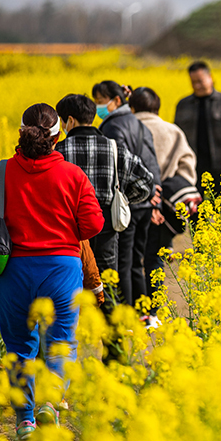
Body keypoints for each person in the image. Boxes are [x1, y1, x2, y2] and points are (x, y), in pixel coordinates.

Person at [0, 103, 104, 441]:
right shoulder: (73, 175)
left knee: (19, 347)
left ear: (21, 133)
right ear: (58, 136)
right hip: (61, 269)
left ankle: (25, 421)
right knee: (61, 342)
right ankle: (51, 402)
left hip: (13, 271)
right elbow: (92, 224)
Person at [54, 94, 154, 305]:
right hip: (106, 226)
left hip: (69, 229)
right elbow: (146, 183)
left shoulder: (58, 152)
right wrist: (123, 198)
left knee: (71, 287)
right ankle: (113, 337)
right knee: (107, 286)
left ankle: (79, 334)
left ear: (69, 121)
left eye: (62, 121)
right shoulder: (114, 148)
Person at [92, 81, 163, 309]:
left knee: (123, 261)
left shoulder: (112, 126)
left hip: (126, 205)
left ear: (116, 100)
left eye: (101, 101)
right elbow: (151, 161)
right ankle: (142, 311)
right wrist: (154, 193)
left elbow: (119, 165)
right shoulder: (138, 123)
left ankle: (127, 312)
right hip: (144, 201)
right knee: (136, 260)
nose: (98, 106)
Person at [130, 87, 201, 308]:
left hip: (134, 203)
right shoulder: (172, 131)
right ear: (157, 107)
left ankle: (133, 304)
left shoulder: (126, 128)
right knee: (155, 256)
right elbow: (187, 164)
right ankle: (153, 306)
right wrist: (174, 188)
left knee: (131, 257)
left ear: (132, 107)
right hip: (164, 203)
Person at [174, 61, 221, 197]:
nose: (197, 86)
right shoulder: (183, 105)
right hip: (194, 164)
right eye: (193, 82)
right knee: (197, 209)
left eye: (200, 81)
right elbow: (176, 137)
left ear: (210, 77)